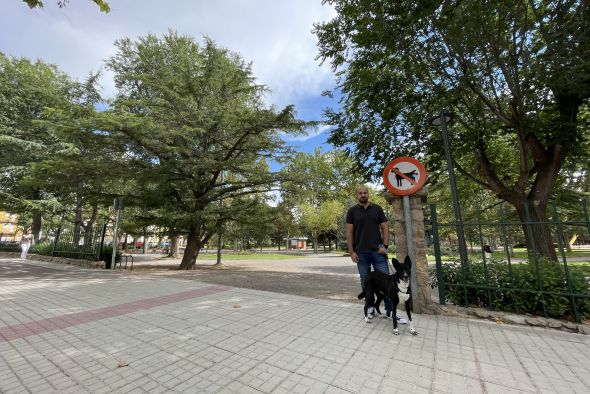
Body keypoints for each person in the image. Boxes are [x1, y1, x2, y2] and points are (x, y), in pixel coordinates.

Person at [346, 185, 406, 324]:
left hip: (378, 252)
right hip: (361, 254)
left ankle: (390, 311)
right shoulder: (352, 211)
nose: (362, 195)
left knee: (387, 282)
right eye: (360, 193)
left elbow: (385, 227)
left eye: (365, 192)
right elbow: (349, 233)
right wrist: (351, 251)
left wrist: (385, 246)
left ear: (368, 194)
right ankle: (370, 307)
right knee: (365, 281)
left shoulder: (377, 209)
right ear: (357, 195)